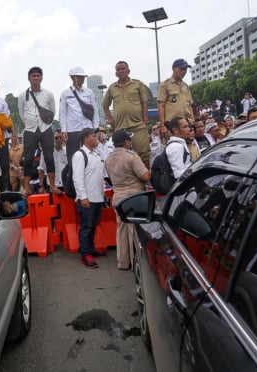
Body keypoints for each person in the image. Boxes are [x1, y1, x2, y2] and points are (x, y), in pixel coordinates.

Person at [105, 130, 150, 270]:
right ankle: (135, 262)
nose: (130, 143)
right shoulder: (132, 156)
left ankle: (123, 262)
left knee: (122, 229)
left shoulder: (108, 158)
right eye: (129, 140)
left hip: (118, 196)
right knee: (134, 230)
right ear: (126, 142)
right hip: (134, 196)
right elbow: (145, 177)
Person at [18, 67, 60, 195]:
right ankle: (26, 188)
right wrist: (29, 124)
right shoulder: (22, 95)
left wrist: (43, 124)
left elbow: (52, 111)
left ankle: (52, 185)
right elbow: (21, 113)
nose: (36, 78)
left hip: (45, 128)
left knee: (49, 158)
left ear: (41, 78)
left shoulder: (48, 94)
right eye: (33, 76)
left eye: (38, 76)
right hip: (30, 129)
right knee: (28, 159)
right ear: (29, 78)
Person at [103, 61, 150, 166]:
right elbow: (105, 105)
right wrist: (110, 119)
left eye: (123, 68)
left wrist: (145, 119)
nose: (121, 71)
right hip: (121, 127)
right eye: (118, 69)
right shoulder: (112, 88)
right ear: (116, 73)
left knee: (143, 154)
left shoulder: (137, 84)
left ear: (128, 71)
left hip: (138, 125)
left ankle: (146, 180)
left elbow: (144, 102)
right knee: (122, 156)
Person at [72, 128, 106, 268]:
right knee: (86, 227)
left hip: (97, 197)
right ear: (86, 138)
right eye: (93, 135)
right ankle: (85, 254)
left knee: (92, 225)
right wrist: (83, 197)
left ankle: (90, 249)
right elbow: (77, 178)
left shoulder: (96, 154)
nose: (96, 137)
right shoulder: (80, 155)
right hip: (87, 199)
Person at [59, 67, 99, 160]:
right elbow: (62, 113)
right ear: (73, 78)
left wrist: (96, 128)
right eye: (79, 77)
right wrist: (64, 130)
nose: (82, 79)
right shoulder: (65, 93)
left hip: (88, 128)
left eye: (83, 77)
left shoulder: (89, 92)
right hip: (73, 130)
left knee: (90, 155)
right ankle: (73, 174)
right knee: (73, 156)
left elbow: (95, 110)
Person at [157, 59, 194, 138]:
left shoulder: (185, 86)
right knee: (174, 148)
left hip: (186, 125)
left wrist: (192, 121)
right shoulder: (165, 85)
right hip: (172, 127)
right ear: (173, 68)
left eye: (185, 69)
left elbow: (190, 105)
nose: (184, 71)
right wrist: (163, 126)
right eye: (181, 69)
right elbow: (161, 106)